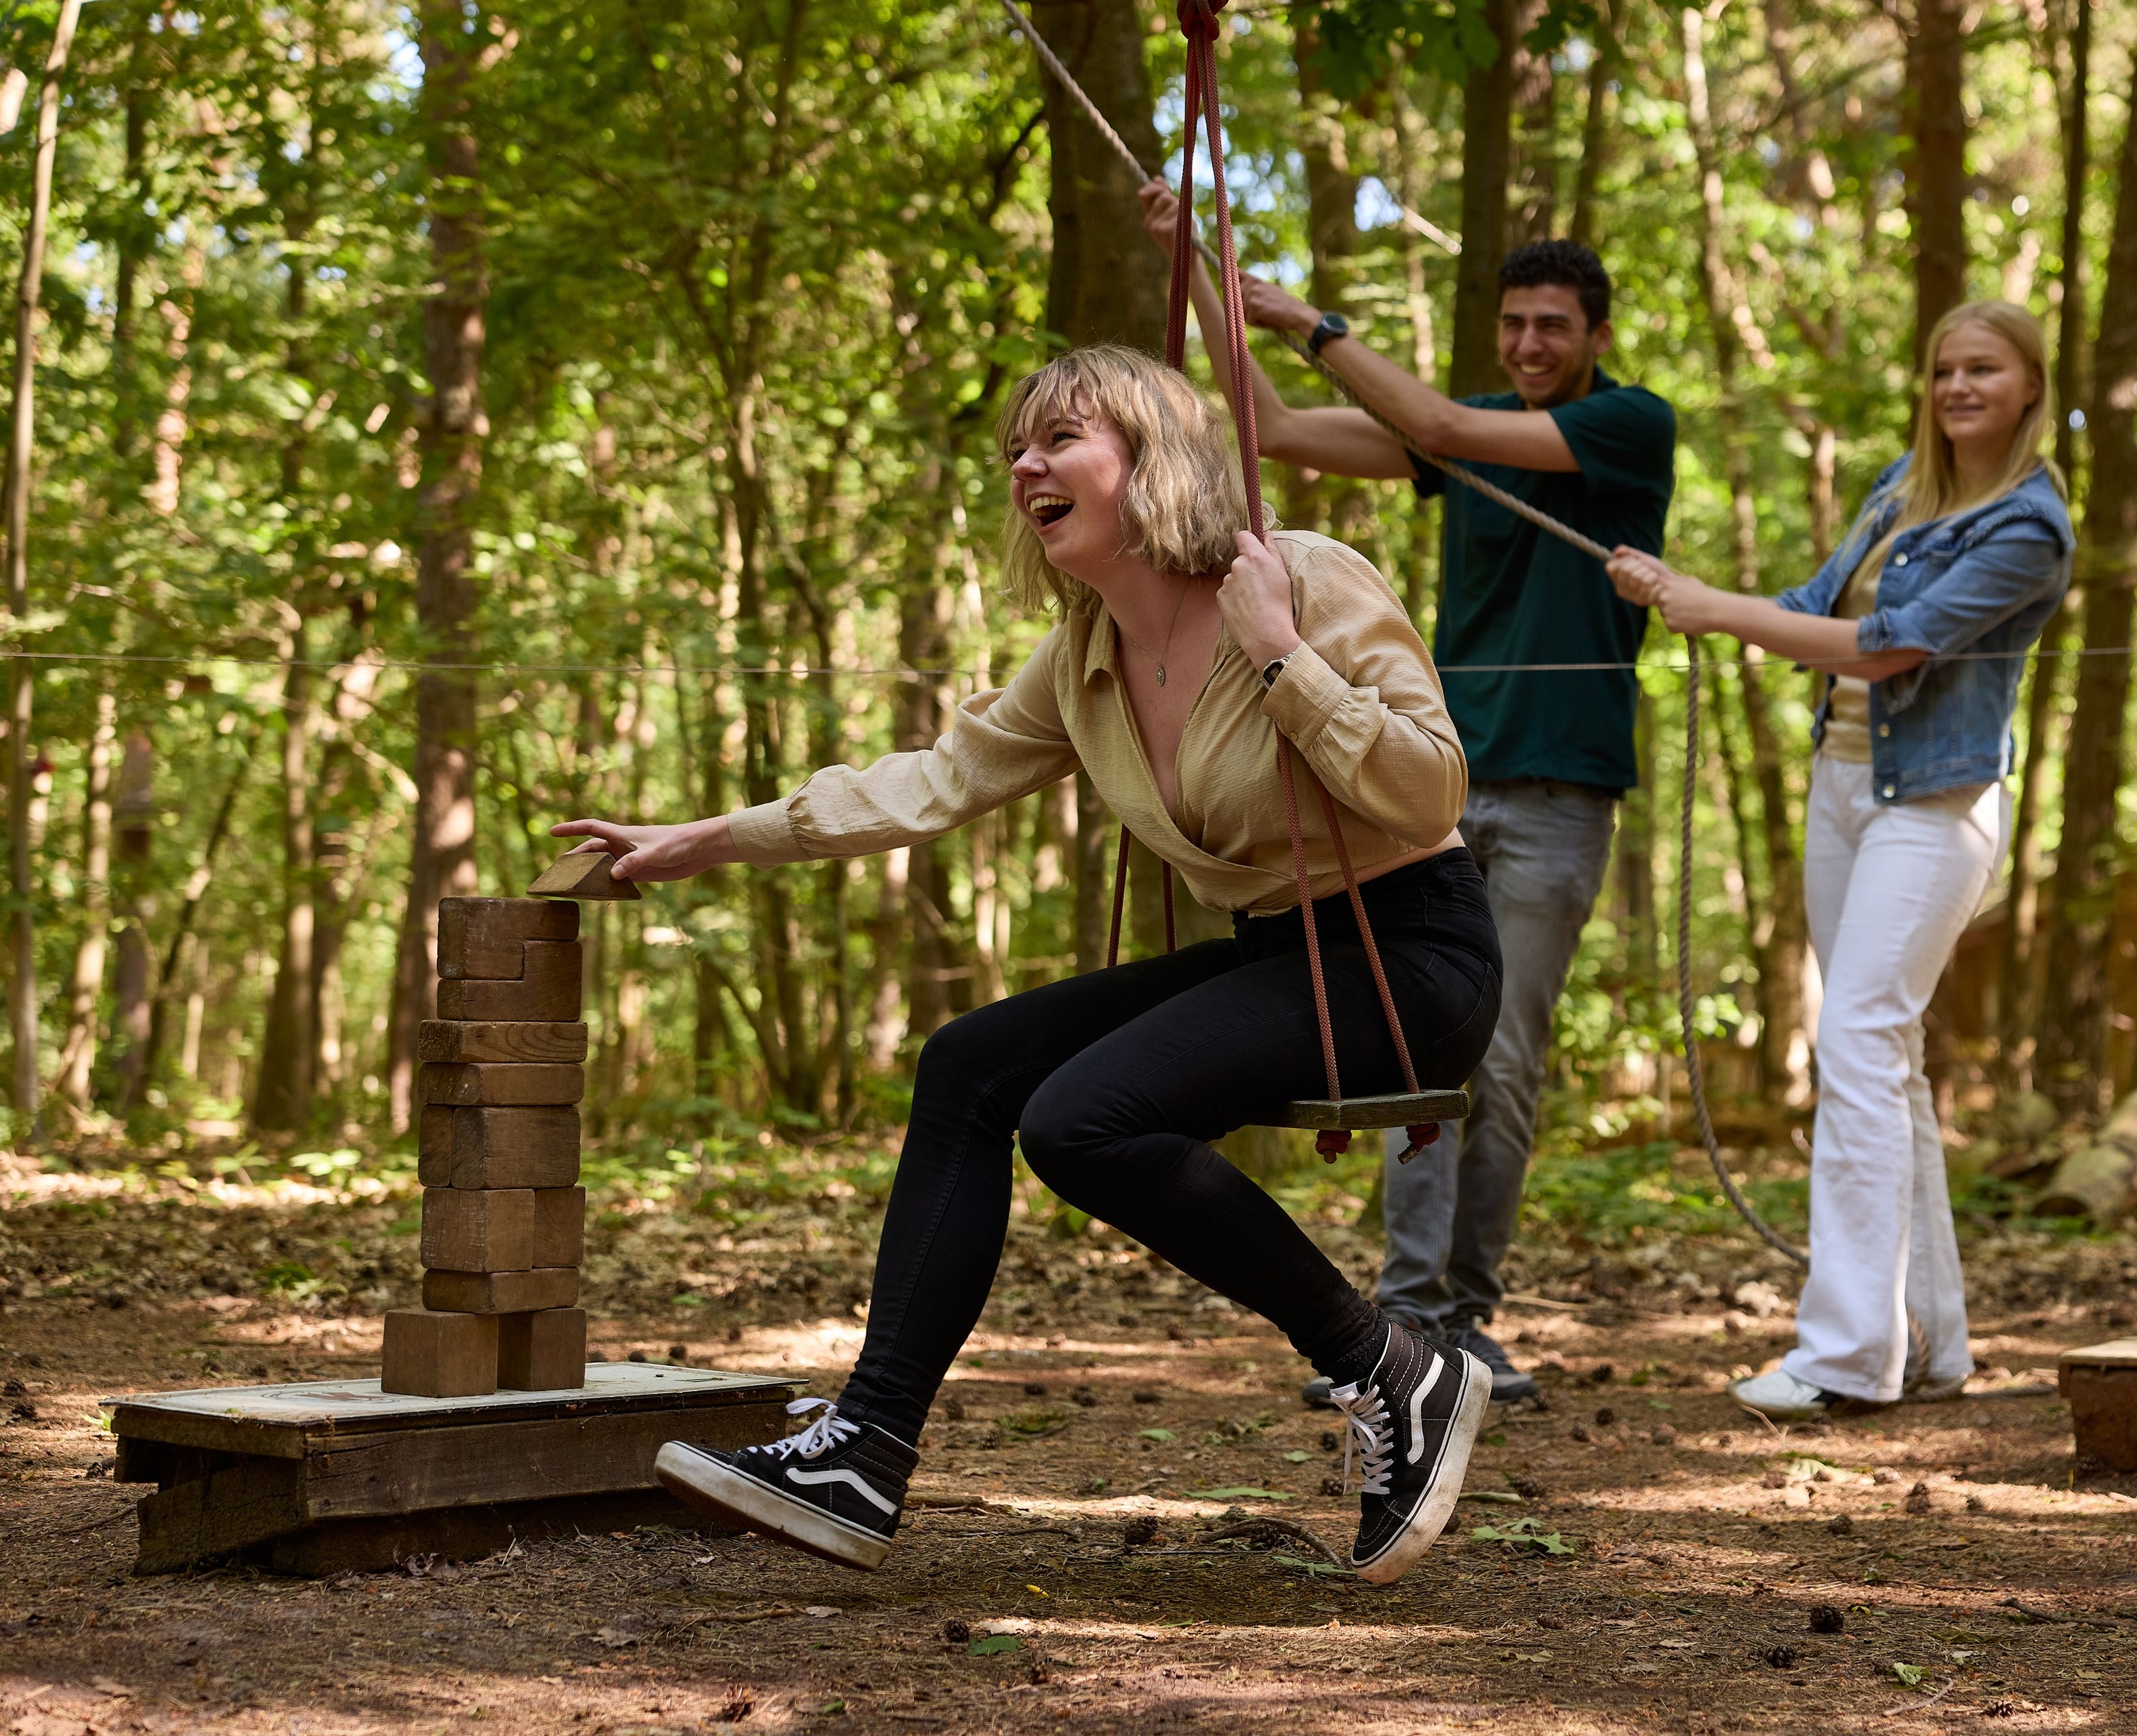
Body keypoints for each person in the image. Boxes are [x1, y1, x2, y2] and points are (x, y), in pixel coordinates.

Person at [550, 346, 1504, 1582]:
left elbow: (1434, 790)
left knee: (1077, 1120)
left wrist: (1280, 653)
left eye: (1060, 439)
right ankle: (865, 1448)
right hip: (1279, 953)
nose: (1025, 465)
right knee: (970, 1062)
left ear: (1151, 459)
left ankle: (1386, 1364)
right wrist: (705, 839)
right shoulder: (1085, 653)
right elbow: (930, 782)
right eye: (1017, 447)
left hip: (1408, 955)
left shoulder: (1301, 575)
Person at [1141, 185, 1675, 1407]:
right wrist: (1204, 271)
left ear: (1596, 337)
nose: (1530, 344)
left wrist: (1308, 319)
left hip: (1559, 794)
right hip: (1428, 787)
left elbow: (1430, 418)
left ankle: (1462, 1318)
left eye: (1554, 326)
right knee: (1416, 1037)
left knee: (1504, 1057)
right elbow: (1276, 426)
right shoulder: (1467, 434)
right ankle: (1409, 1319)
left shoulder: (1628, 424)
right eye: (1515, 324)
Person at [1606, 301, 2073, 1420]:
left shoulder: (2030, 525)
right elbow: (1815, 607)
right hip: (1844, 787)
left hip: (1938, 804)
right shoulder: (1902, 487)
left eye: (1984, 368)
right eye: (1945, 368)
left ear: (2029, 385)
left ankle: (1847, 1355)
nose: (1959, 386)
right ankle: (1932, 1341)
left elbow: (1890, 647)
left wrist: (1719, 612)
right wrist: (1683, 592)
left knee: (1856, 1037)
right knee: (1887, 1059)